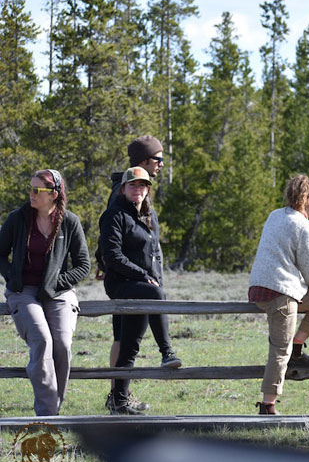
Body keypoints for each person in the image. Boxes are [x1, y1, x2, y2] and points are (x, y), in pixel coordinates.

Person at [97, 136, 179, 413]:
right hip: (126, 283)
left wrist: (151, 277)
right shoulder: (117, 209)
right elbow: (111, 249)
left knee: (128, 343)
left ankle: (120, 399)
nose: (161, 164)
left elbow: (151, 251)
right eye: (158, 159)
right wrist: (145, 277)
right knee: (124, 339)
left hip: (142, 282)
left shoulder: (145, 213)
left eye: (143, 186)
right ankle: (166, 352)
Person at [0, 169, 90, 415]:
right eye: (30, 188)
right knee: (42, 339)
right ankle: (47, 414)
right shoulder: (17, 219)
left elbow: (83, 265)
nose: (31, 194)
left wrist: (56, 284)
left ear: (53, 194)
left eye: (36, 190)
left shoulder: (69, 221)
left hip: (58, 291)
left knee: (61, 342)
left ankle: (53, 412)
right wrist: (12, 277)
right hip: (23, 291)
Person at [248, 174, 309, 415]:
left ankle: (298, 348)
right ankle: (268, 405)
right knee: (279, 349)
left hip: (260, 288)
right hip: (281, 292)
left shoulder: (275, 215)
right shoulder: (305, 227)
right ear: (308, 200)